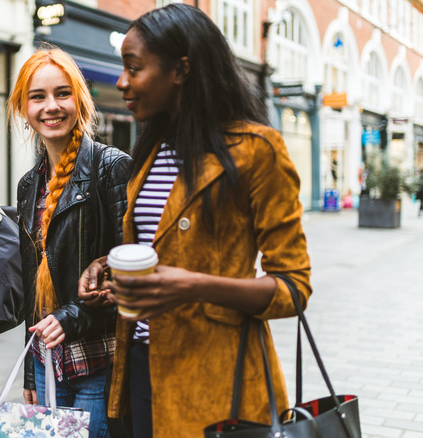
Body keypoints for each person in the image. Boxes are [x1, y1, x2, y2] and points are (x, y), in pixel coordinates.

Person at [78, 5, 312, 437]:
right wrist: (107, 263)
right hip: (142, 366)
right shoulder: (151, 150)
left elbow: (293, 290)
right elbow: (164, 242)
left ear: (181, 70)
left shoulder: (257, 150)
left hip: (219, 377)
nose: (122, 81)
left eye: (134, 67)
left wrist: (193, 285)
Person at [8, 46, 132, 438]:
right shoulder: (29, 185)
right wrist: (30, 368)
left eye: (62, 93)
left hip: (100, 360)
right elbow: (34, 286)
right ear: (23, 108)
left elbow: (129, 269)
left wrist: (72, 317)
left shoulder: (111, 167)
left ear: (80, 99)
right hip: (48, 362)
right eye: (38, 96)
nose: (51, 106)